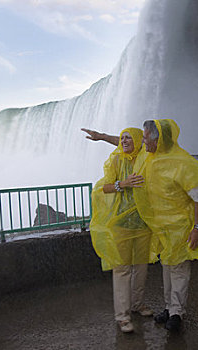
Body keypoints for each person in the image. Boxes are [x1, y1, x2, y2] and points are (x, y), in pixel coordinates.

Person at [132, 119, 198, 332]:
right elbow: (128, 144)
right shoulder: (150, 158)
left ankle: (177, 312)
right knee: (167, 267)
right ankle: (170, 308)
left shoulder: (181, 162)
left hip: (181, 227)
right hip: (162, 228)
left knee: (178, 270)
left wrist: (197, 229)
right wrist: (102, 137)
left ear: (157, 139)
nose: (143, 141)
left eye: (146, 137)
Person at [85, 127, 159, 333]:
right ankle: (123, 316)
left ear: (137, 141)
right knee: (122, 269)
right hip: (121, 224)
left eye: (129, 138)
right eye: (122, 138)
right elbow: (105, 187)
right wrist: (123, 184)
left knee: (141, 267)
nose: (125, 141)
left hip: (143, 223)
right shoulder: (116, 161)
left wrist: (103, 137)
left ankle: (137, 304)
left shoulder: (145, 157)